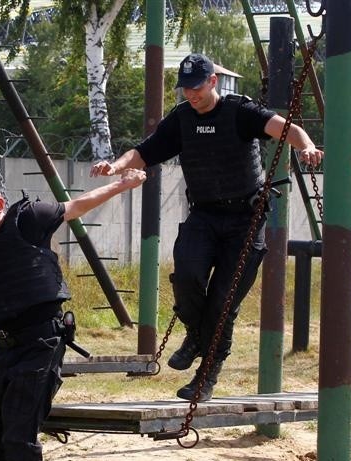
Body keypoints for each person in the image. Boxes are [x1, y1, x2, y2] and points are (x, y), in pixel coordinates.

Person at [91, 53, 324, 402]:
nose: (191, 95)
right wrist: (115, 166)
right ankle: (196, 336)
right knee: (185, 275)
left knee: (222, 301)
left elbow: (287, 129)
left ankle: (205, 377)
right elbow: (143, 152)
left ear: (213, 81)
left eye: (196, 87)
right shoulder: (182, 119)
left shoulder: (240, 111)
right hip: (204, 215)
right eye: (185, 89)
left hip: (245, 220)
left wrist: (305, 147)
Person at [0, 171, 145, 461]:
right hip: (4, 346)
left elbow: (78, 205)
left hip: (41, 341)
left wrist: (123, 184)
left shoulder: (29, 218)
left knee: (19, 435)